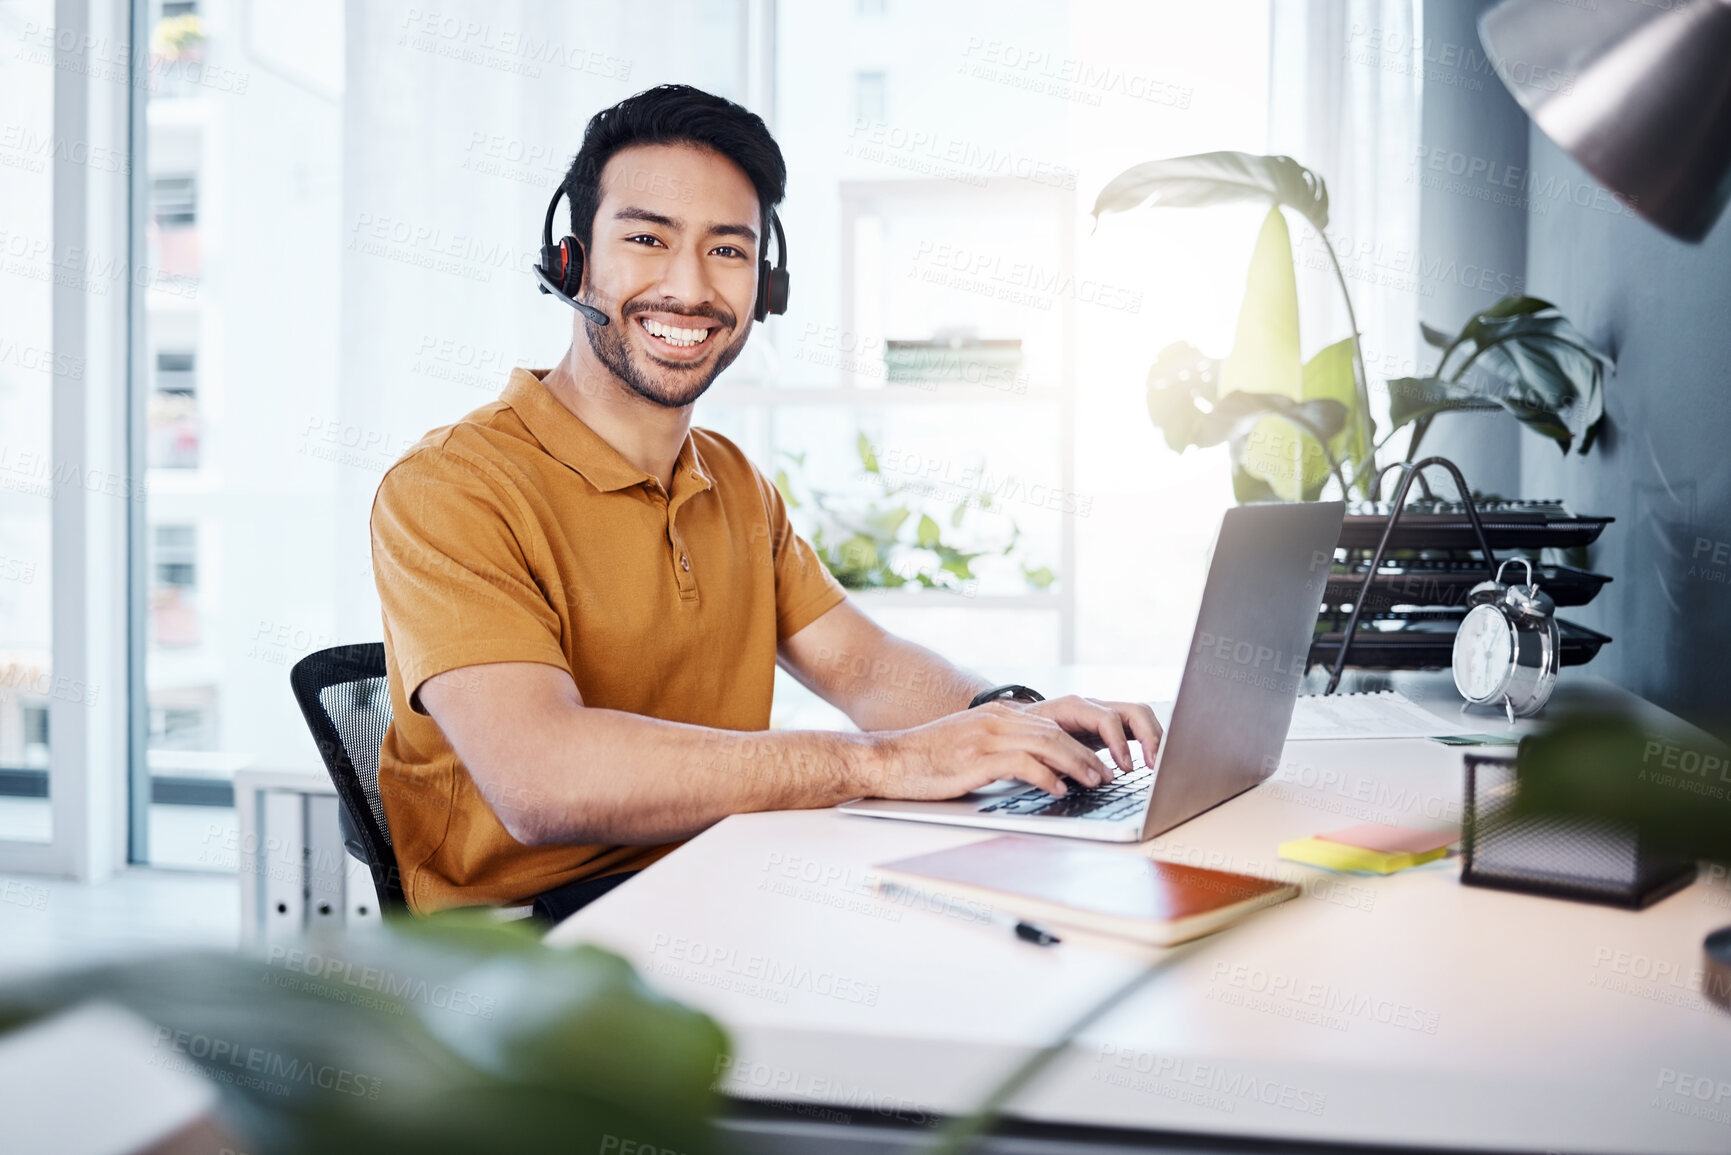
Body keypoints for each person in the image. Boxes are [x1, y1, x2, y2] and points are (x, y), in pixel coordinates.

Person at [370, 84, 1161, 921]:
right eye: (645, 238)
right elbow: (542, 779)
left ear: (765, 284)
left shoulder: (731, 481)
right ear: (571, 260)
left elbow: (861, 663)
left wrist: (1016, 720)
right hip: (535, 953)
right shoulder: (452, 487)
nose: (688, 288)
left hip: (721, 878)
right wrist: (885, 763)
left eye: (728, 250)